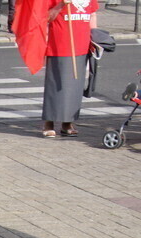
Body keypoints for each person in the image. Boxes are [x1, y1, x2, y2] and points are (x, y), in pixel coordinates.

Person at [41, 0, 99, 138]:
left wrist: (95, 37)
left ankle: (67, 122)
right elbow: (47, 17)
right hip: (60, 45)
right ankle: (49, 122)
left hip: (82, 44)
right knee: (56, 86)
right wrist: (61, 4)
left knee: (75, 86)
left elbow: (92, 14)